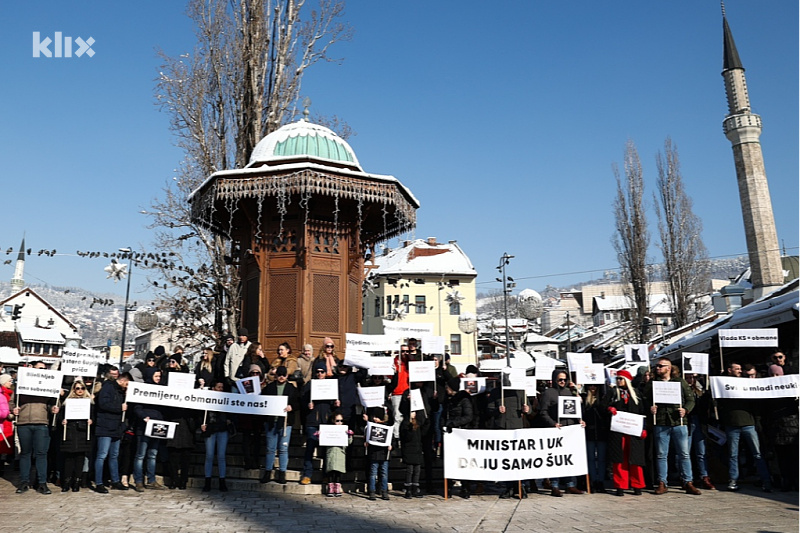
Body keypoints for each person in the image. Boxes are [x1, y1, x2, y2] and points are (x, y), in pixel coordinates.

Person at [643, 358, 700, 495]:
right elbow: (644, 400)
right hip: (661, 422)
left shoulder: (679, 382)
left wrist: (686, 409)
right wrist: (650, 408)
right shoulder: (652, 384)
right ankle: (662, 482)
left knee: (684, 454)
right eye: (657, 366)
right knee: (662, 454)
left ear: (669, 368)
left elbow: (691, 399)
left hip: (678, 422)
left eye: (661, 366)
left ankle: (688, 481)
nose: (658, 368)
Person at [718, 361, 772, 492]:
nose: (740, 371)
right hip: (732, 423)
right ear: (729, 370)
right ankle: (733, 479)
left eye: (740, 368)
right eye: (737, 368)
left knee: (757, 453)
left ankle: (766, 480)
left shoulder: (746, 383)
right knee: (733, 454)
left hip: (748, 423)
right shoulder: (722, 382)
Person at [12, 361, 59, 495]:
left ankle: (42, 483)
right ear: (32, 369)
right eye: (40, 368)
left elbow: (53, 402)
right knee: (25, 453)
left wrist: (54, 408)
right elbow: (12, 401)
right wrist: (13, 409)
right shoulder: (21, 384)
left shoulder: (49, 384)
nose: (42, 370)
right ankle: (24, 482)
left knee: (41, 454)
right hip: (23, 423)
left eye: (44, 368)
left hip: (42, 423)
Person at [539, 368, 586, 497]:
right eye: (560, 380)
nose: (562, 382)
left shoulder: (569, 392)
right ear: (554, 380)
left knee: (569, 458)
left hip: (570, 430)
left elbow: (576, 410)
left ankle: (570, 484)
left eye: (565, 380)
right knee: (556, 458)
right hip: (556, 430)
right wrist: (552, 423)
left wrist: (580, 421)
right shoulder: (549, 393)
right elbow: (543, 411)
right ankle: (555, 485)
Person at [604, 370, 646, 496]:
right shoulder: (613, 393)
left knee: (635, 459)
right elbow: (602, 405)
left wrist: (643, 428)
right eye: (617, 379)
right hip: (618, 432)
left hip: (633, 432)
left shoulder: (636, 394)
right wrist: (609, 408)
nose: (618, 381)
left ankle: (637, 485)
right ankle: (620, 485)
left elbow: (642, 411)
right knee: (619, 459)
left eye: (621, 379)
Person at [487, 378, 530, 498]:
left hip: (516, 429)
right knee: (505, 460)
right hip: (501, 429)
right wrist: (497, 410)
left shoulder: (520, 391)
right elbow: (488, 410)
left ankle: (520, 486)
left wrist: (527, 409)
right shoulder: (496, 393)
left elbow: (529, 408)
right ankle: (509, 487)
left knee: (517, 460)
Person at [300, 361, 340, 485]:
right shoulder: (309, 385)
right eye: (317, 372)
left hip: (327, 422)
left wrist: (336, 404)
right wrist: (308, 405)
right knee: (310, 448)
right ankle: (307, 474)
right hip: (313, 422)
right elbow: (302, 403)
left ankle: (325, 475)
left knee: (325, 451)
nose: (320, 374)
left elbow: (334, 408)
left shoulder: (331, 385)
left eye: (322, 372)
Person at [93, 371, 131, 494]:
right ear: (122, 381)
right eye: (127, 384)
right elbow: (103, 404)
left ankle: (115, 480)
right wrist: (119, 407)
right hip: (105, 426)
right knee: (102, 455)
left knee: (114, 455)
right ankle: (99, 482)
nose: (128, 387)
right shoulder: (108, 387)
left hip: (116, 427)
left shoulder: (122, 392)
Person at [131, 368, 168, 492]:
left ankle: (151, 480)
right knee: (140, 455)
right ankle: (139, 481)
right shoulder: (144, 389)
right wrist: (143, 417)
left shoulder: (163, 389)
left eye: (159, 376)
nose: (158, 378)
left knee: (152, 455)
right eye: (156, 376)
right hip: (144, 426)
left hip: (158, 426)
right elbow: (137, 408)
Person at [261, 366, 299, 484]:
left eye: (283, 375)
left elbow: (298, 402)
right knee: (270, 449)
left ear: (287, 376)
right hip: (272, 422)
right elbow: (263, 402)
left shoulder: (291, 388)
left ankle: (282, 472)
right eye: (279, 374)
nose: (281, 377)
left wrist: (291, 407)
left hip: (285, 423)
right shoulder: (270, 387)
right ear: (276, 375)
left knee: (283, 449)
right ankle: (268, 471)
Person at [764, 364, 799, 491]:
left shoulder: (791, 388)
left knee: (794, 457)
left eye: (777, 374)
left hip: (792, 427)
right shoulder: (767, 390)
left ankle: (795, 480)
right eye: (772, 374)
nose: (774, 377)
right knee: (782, 458)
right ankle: (787, 480)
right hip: (777, 429)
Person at [58, 380, 93, 492]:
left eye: (82, 388)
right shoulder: (67, 402)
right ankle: (67, 481)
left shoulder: (89, 402)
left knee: (80, 458)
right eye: (77, 388)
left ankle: (77, 481)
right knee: (69, 458)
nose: (80, 390)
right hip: (70, 432)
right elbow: (60, 416)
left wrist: (91, 421)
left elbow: (94, 416)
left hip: (82, 432)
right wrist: (62, 421)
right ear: (73, 389)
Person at [441, 376, 474, 498]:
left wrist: (453, 423)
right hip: (449, 434)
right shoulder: (447, 399)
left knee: (463, 461)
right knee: (449, 461)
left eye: (447, 387)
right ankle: (448, 487)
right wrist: (443, 424)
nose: (445, 389)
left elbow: (468, 416)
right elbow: (444, 414)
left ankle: (465, 487)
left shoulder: (464, 399)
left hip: (461, 434)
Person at [685, 373, 715, 490]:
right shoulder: (681, 389)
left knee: (701, 452)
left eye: (692, 377)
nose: (690, 380)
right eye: (687, 377)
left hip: (699, 422)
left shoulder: (701, 391)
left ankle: (704, 476)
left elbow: (704, 406)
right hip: (687, 422)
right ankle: (687, 478)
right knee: (685, 452)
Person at [200, 380, 232, 492]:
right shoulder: (207, 399)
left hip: (222, 429)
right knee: (209, 456)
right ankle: (207, 481)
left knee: (221, 456)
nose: (221, 389)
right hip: (210, 429)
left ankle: (222, 481)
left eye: (222, 387)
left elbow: (232, 411)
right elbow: (201, 413)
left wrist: (229, 420)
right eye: (219, 387)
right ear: (213, 388)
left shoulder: (226, 399)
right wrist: (202, 423)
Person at [399, 390, 429, 498]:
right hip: (408, 449)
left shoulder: (418, 424)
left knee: (417, 469)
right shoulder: (405, 424)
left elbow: (424, 432)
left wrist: (426, 420)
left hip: (417, 449)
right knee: (409, 470)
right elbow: (406, 436)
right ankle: (408, 489)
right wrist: (410, 422)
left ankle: (415, 487)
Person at [583, 382, 610, 494]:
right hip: (589, 431)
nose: (592, 388)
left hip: (601, 431)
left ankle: (601, 481)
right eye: (590, 385)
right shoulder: (584, 399)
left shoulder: (603, 398)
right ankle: (593, 480)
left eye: (595, 385)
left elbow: (604, 412)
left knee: (602, 459)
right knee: (591, 459)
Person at [364, 402, 393, 500]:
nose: (375, 419)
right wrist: (366, 442)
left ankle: (384, 491)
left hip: (384, 454)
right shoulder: (369, 427)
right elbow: (366, 436)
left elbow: (392, 440)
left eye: (377, 417)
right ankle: (371, 491)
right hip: (373, 453)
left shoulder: (387, 428)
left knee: (384, 473)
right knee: (373, 473)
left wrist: (391, 446)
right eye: (374, 417)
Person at [324, 410, 353, 497]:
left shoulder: (344, 429)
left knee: (338, 471)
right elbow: (323, 441)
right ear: (333, 421)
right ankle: (330, 487)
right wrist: (320, 436)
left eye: (341, 421)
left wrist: (350, 436)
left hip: (340, 453)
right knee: (331, 470)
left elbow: (349, 442)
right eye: (337, 421)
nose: (339, 422)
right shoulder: (329, 429)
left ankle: (337, 487)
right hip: (331, 452)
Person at [0, 374, 14, 467]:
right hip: (3, 423)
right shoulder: (3, 395)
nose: (11, 383)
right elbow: (4, 411)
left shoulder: (8, 393)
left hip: (6, 424)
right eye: (9, 381)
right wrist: (10, 414)